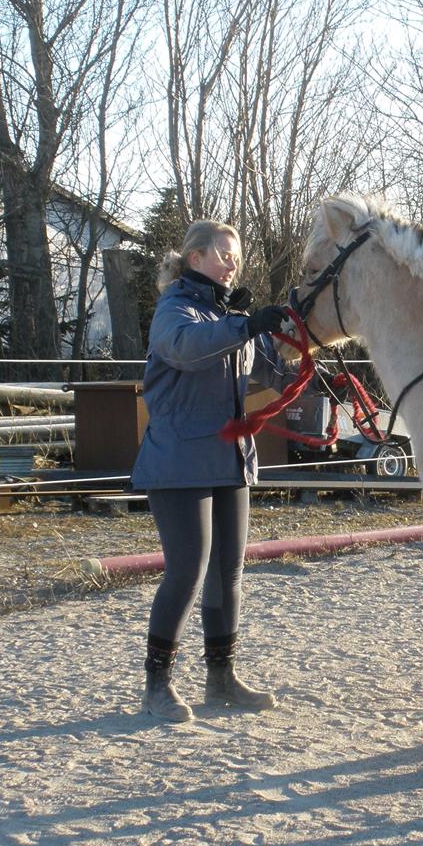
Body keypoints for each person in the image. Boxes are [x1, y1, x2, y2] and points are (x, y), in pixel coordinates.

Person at [130, 219, 292, 722]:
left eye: (236, 255)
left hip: (229, 458)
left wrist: (297, 347)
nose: (232, 262)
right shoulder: (173, 311)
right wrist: (244, 324)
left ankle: (221, 678)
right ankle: (157, 685)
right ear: (194, 258)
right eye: (223, 253)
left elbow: (268, 373)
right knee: (187, 570)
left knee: (228, 571)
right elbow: (189, 349)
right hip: (179, 462)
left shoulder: (229, 316)